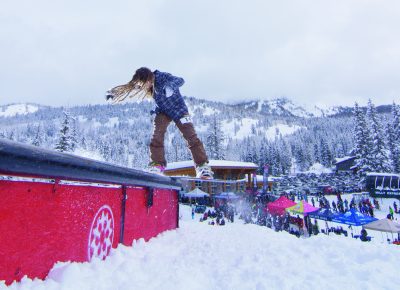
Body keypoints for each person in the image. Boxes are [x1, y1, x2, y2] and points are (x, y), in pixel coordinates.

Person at [106, 67, 213, 179]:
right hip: (163, 112)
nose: (145, 87)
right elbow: (129, 87)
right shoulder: (144, 83)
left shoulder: (162, 77)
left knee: (190, 136)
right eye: (143, 85)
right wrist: (113, 93)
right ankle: (157, 165)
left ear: (149, 78)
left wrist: (170, 86)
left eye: (145, 83)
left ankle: (202, 166)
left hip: (179, 110)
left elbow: (180, 79)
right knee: (157, 135)